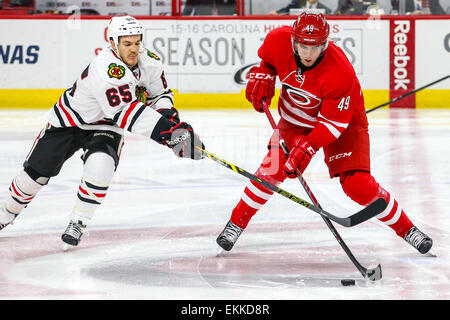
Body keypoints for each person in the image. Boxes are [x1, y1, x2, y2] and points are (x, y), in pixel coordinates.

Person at [216, 12, 433, 255]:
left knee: (358, 186)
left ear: (325, 43)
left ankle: (408, 229)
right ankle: (236, 223)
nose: (308, 53)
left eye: (315, 46)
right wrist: (264, 73)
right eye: (302, 45)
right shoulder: (277, 40)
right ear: (293, 41)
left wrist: (305, 149)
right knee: (271, 170)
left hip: (344, 123)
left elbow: (331, 126)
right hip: (296, 116)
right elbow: (267, 62)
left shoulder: (340, 72)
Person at [0, 16, 205, 248]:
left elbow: (160, 94)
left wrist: (170, 120)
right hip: (70, 121)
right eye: (127, 44)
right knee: (34, 176)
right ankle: (6, 213)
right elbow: (126, 113)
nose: (134, 49)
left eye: (137, 42)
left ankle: (78, 221)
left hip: (106, 126)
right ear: (113, 43)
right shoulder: (106, 68)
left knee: (101, 167)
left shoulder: (150, 61)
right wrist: (170, 135)